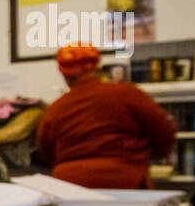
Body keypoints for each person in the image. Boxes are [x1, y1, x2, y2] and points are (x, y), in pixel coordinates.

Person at [35, 42, 176, 189]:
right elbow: (164, 131)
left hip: (69, 186)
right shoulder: (127, 93)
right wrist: (149, 156)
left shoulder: (55, 108)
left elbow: (46, 151)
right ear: (96, 65)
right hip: (126, 181)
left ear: (63, 73)